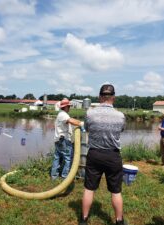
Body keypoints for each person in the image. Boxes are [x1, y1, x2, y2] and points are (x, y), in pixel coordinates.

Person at [80, 84, 127, 225]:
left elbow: (86, 128)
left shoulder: (90, 113)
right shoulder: (120, 116)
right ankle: (119, 221)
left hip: (94, 154)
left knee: (89, 188)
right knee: (116, 191)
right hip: (113, 156)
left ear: (100, 97)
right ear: (113, 97)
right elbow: (121, 130)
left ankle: (83, 220)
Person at [51, 98, 84, 179]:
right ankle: (65, 177)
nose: (69, 108)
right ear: (65, 107)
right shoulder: (63, 114)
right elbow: (71, 121)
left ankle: (54, 176)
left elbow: (69, 123)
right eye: (68, 106)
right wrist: (81, 123)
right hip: (63, 140)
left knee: (57, 157)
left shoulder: (60, 114)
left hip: (58, 139)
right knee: (68, 158)